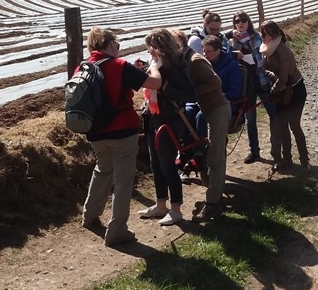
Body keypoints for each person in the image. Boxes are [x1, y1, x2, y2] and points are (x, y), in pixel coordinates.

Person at [80, 27, 150, 246]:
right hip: (122, 131)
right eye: (117, 45)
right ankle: (117, 230)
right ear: (109, 44)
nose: (118, 49)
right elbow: (153, 83)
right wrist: (150, 71)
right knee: (123, 182)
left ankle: (89, 216)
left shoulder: (83, 67)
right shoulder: (120, 66)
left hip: (95, 132)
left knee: (102, 171)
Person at [138, 28, 196, 226]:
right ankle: (160, 204)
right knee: (156, 164)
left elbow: (191, 94)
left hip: (170, 121)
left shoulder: (176, 66)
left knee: (168, 165)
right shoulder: (156, 64)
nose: (148, 52)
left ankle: (176, 209)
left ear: (160, 48)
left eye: (150, 48)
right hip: (154, 118)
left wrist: (166, 89)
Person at [186, 34, 236, 222]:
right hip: (207, 106)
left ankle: (213, 202)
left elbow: (232, 89)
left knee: (216, 153)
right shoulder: (201, 64)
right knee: (194, 114)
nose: (205, 54)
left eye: (209, 51)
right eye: (203, 51)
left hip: (226, 104)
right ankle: (196, 152)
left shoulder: (228, 66)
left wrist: (202, 94)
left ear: (218, 51)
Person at [228, 10, 281, 164]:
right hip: (247, 87)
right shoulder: (232, 42)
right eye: (237, 20)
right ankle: (254, 152)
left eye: (243, 19)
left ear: (248, 21)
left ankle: (277, 152)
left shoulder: (258, 37)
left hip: (263, 82)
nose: (240, 22)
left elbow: (266, 56)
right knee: (250, 120)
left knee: (274, 116)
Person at [259, 20, 310, 173]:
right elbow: (265, 69)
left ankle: (304, 160)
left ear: (273, 35)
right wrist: (272, 77)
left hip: (294, 91)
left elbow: (284, 78)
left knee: (294, 125)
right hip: (281, 92)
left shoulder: (283, 51)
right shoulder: (266, 49)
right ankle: (286, 159)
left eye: (264, 34)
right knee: (282, 126)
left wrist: (272, 91)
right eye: (261, 34)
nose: (261, 37)